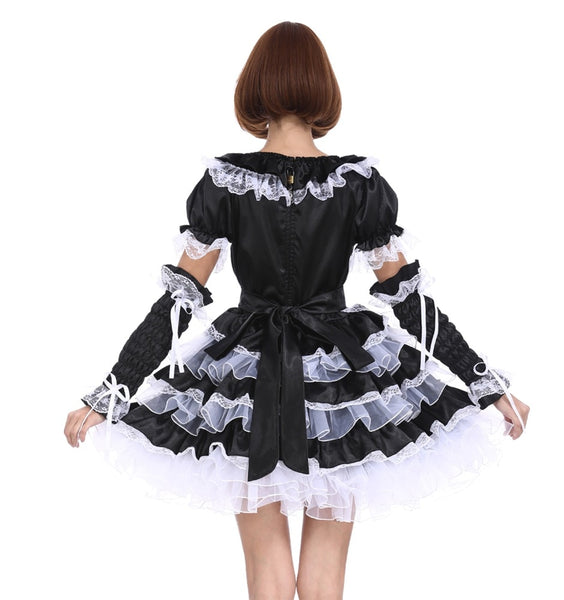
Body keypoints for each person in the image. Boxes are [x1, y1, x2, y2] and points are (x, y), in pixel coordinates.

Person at [64, 20, 530, 600]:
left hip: (244, 379)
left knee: (267, 573)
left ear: (254, 86)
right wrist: (486, 384)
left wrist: (113, 389)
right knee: (324, 577)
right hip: (345, 384)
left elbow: (180, 300)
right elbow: (412, 303)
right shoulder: (358, 184)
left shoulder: (225, 182)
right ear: (322, 87)